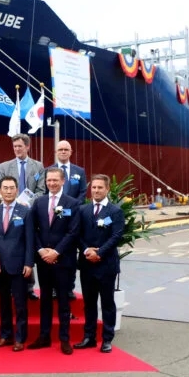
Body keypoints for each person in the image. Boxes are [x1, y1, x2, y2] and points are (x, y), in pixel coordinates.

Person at [27, 167, 81, 355]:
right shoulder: (39, 202)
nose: (51, 183)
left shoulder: (72, 204)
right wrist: (42, 251)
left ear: (63, 181)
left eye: (55, 180)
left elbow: (73, 232)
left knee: (64, 300)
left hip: (63, 260)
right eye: (49, 180)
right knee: (45, 301)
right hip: (43, 260)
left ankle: (64, 338)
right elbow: (33, 229)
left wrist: (56, 251)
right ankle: (44, 336)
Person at [74, 174, 124, 354]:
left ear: (107, 189)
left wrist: (99, 253)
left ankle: (107, 339)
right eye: (94, 187)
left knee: (107, 303)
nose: (96, 190)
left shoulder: (115, 211)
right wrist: (88, 251)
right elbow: (77, 234)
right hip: (87, 264)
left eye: (100, 187)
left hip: (106, 265)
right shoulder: (83, 210)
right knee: (89, 303)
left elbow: (116, 236)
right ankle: (89, 336)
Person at [0, 133, 46, 300]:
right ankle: (7, 284)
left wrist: (28, 202)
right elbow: (1, 188)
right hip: (9, 210)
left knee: (28, 244)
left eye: (20, 146)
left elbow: (41, 190)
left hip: (30, 211)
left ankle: (30, 287)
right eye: (15, 146)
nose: (17, 149)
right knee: (10, 244)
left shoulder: (38, 166)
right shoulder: (4, 166)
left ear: (27, 146)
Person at [0, 176, 35, 351]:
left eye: (11, 188)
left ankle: (20, 338)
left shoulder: (26, 212)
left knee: (20, 305)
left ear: (17, 190)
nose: (8, 191)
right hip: (0, 266)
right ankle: (5, 335)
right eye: (5, 188)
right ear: (0, 190)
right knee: (4, 303)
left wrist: (29, 263)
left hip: (19, 265)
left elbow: (30, 240)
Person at [50, 140, 87, 301]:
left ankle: (69, 287)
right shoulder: (49, 171)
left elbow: (83, 193)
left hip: (73, 219)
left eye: (66, 149)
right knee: (53, 252)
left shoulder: (80, 171)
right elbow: (46, 192)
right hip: (53, 220)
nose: (63, 152)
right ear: (56, 152)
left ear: (71, 152)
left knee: (70, 254)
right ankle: (52, 288)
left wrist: (69, 209)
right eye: (60, 149)